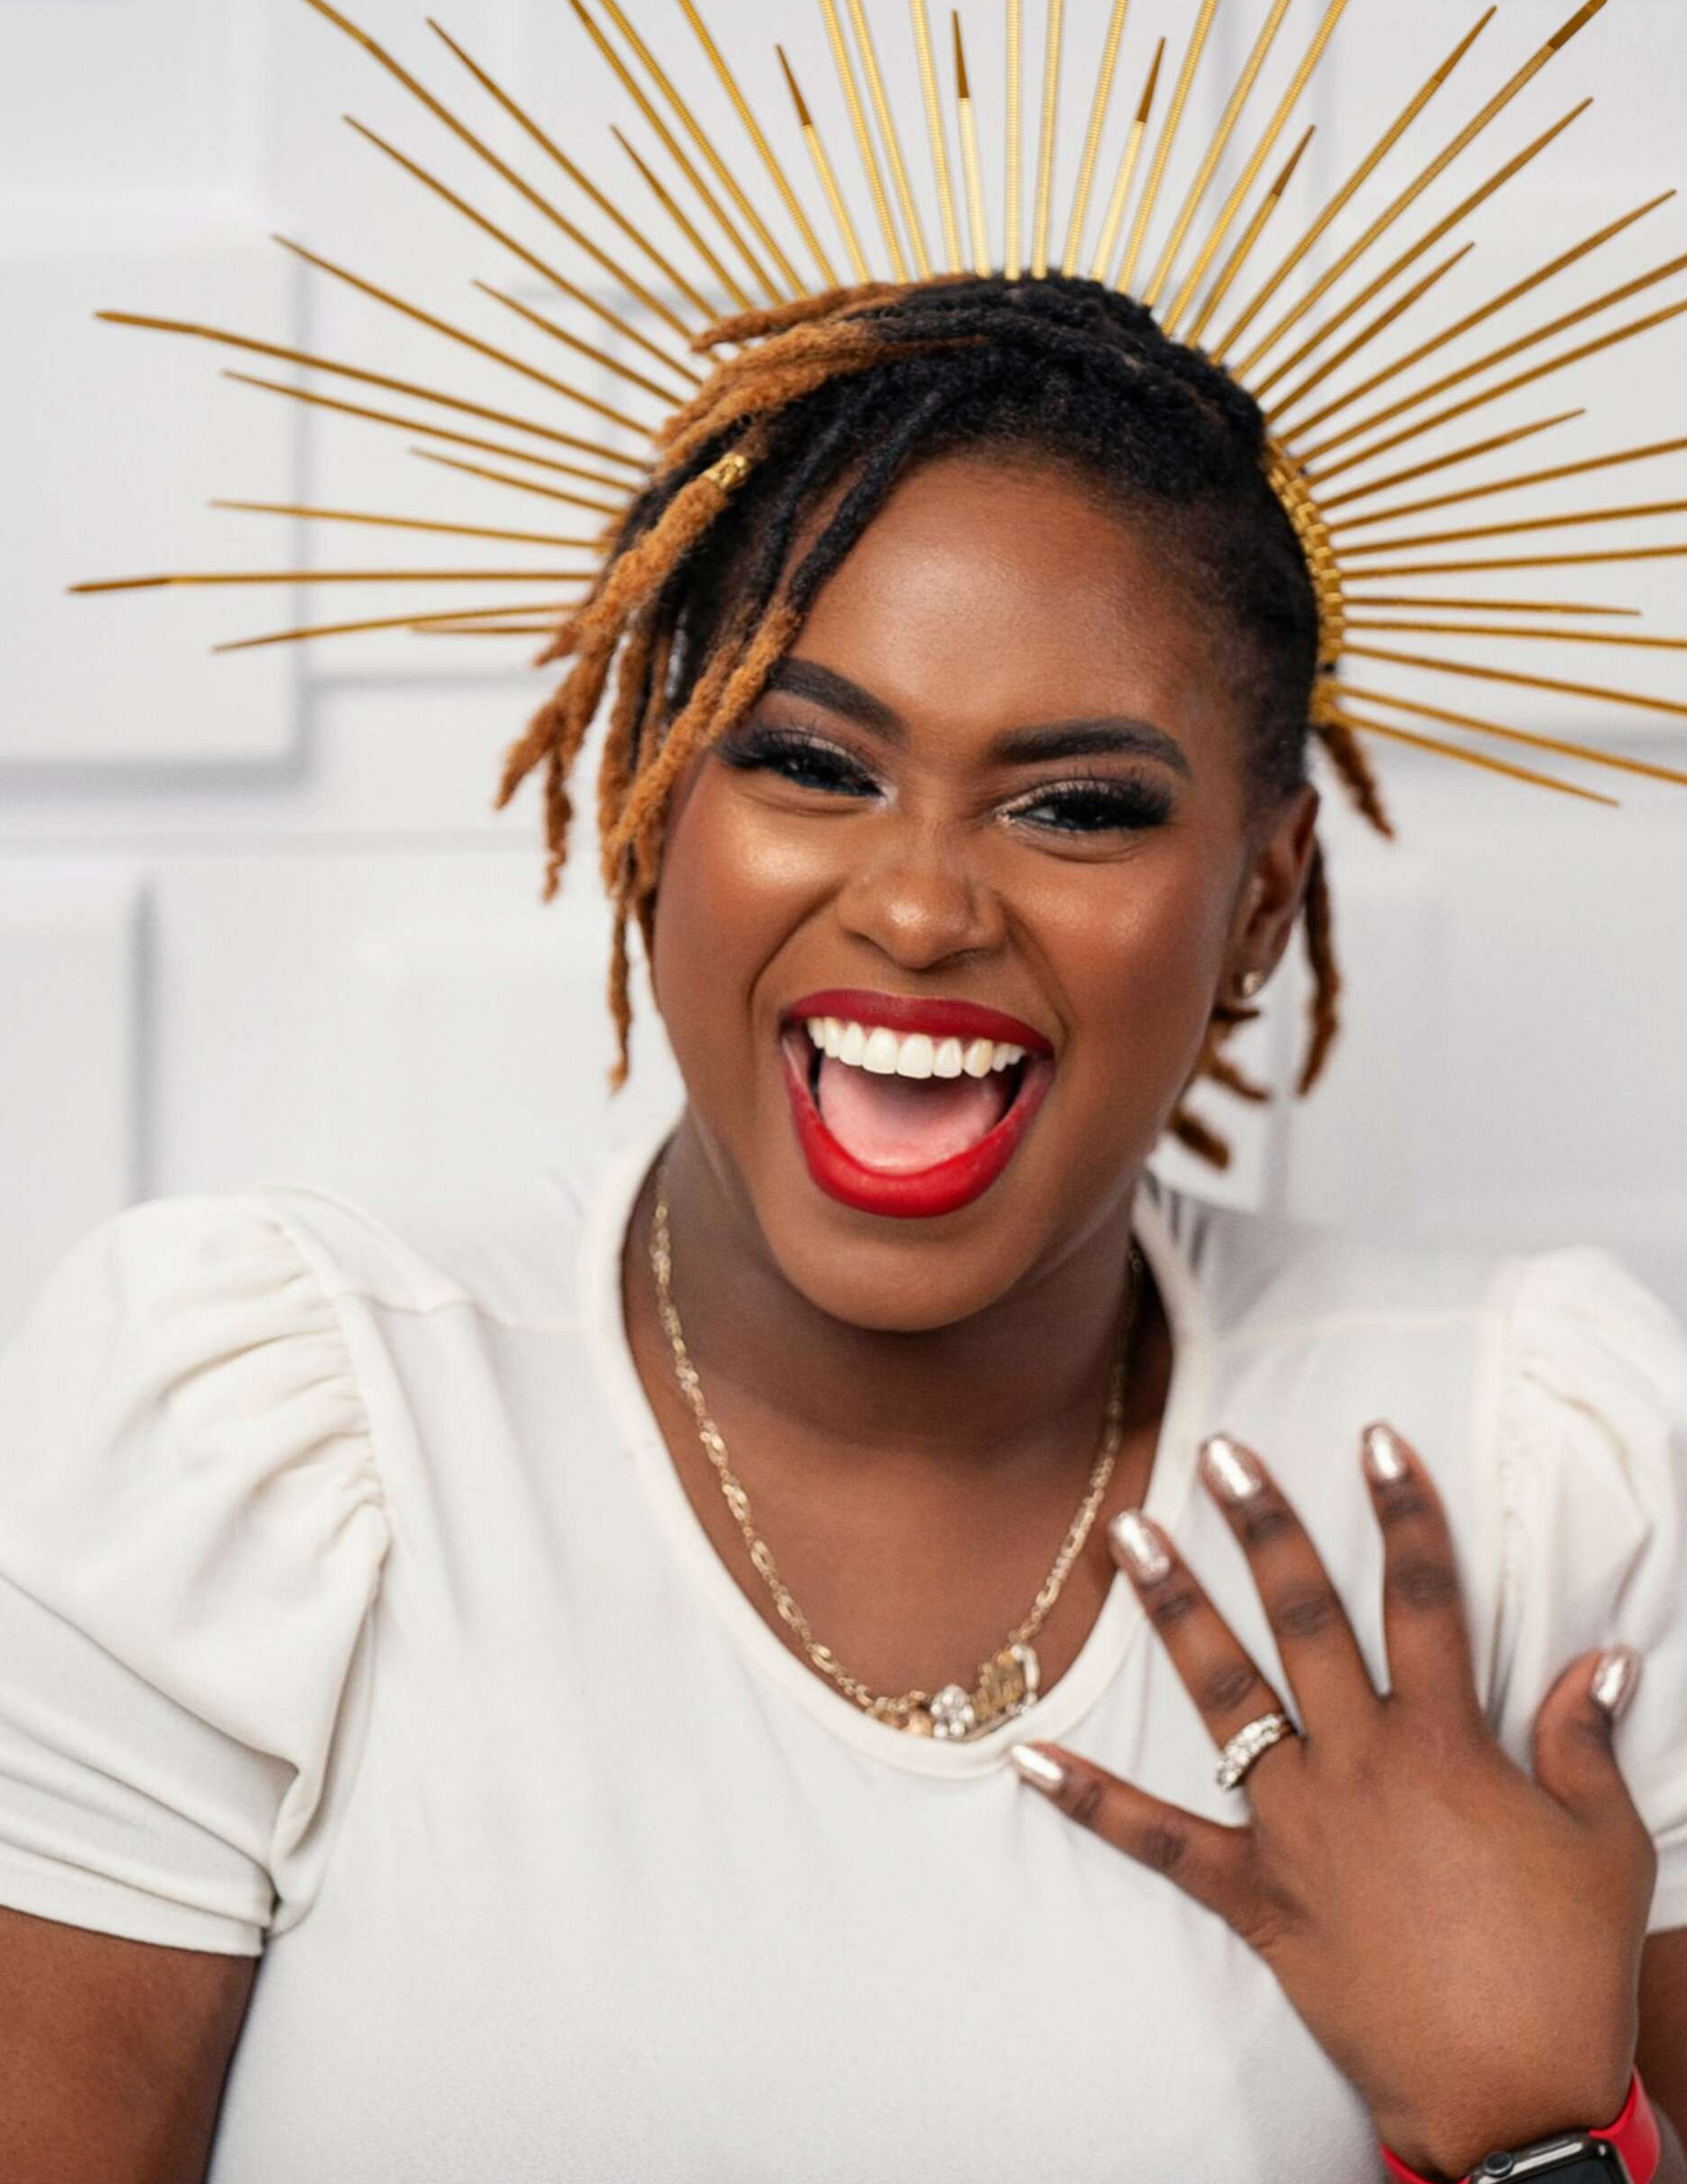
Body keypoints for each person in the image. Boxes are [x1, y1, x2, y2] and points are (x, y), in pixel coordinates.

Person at [5, 2, 1687, 2175]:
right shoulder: (265, 1437)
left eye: (1077, 806)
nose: (915, 908)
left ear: (1263, 901)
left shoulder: (1543, 1478)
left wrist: (1544, 2134)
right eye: (809, 762)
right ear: (650, 797)